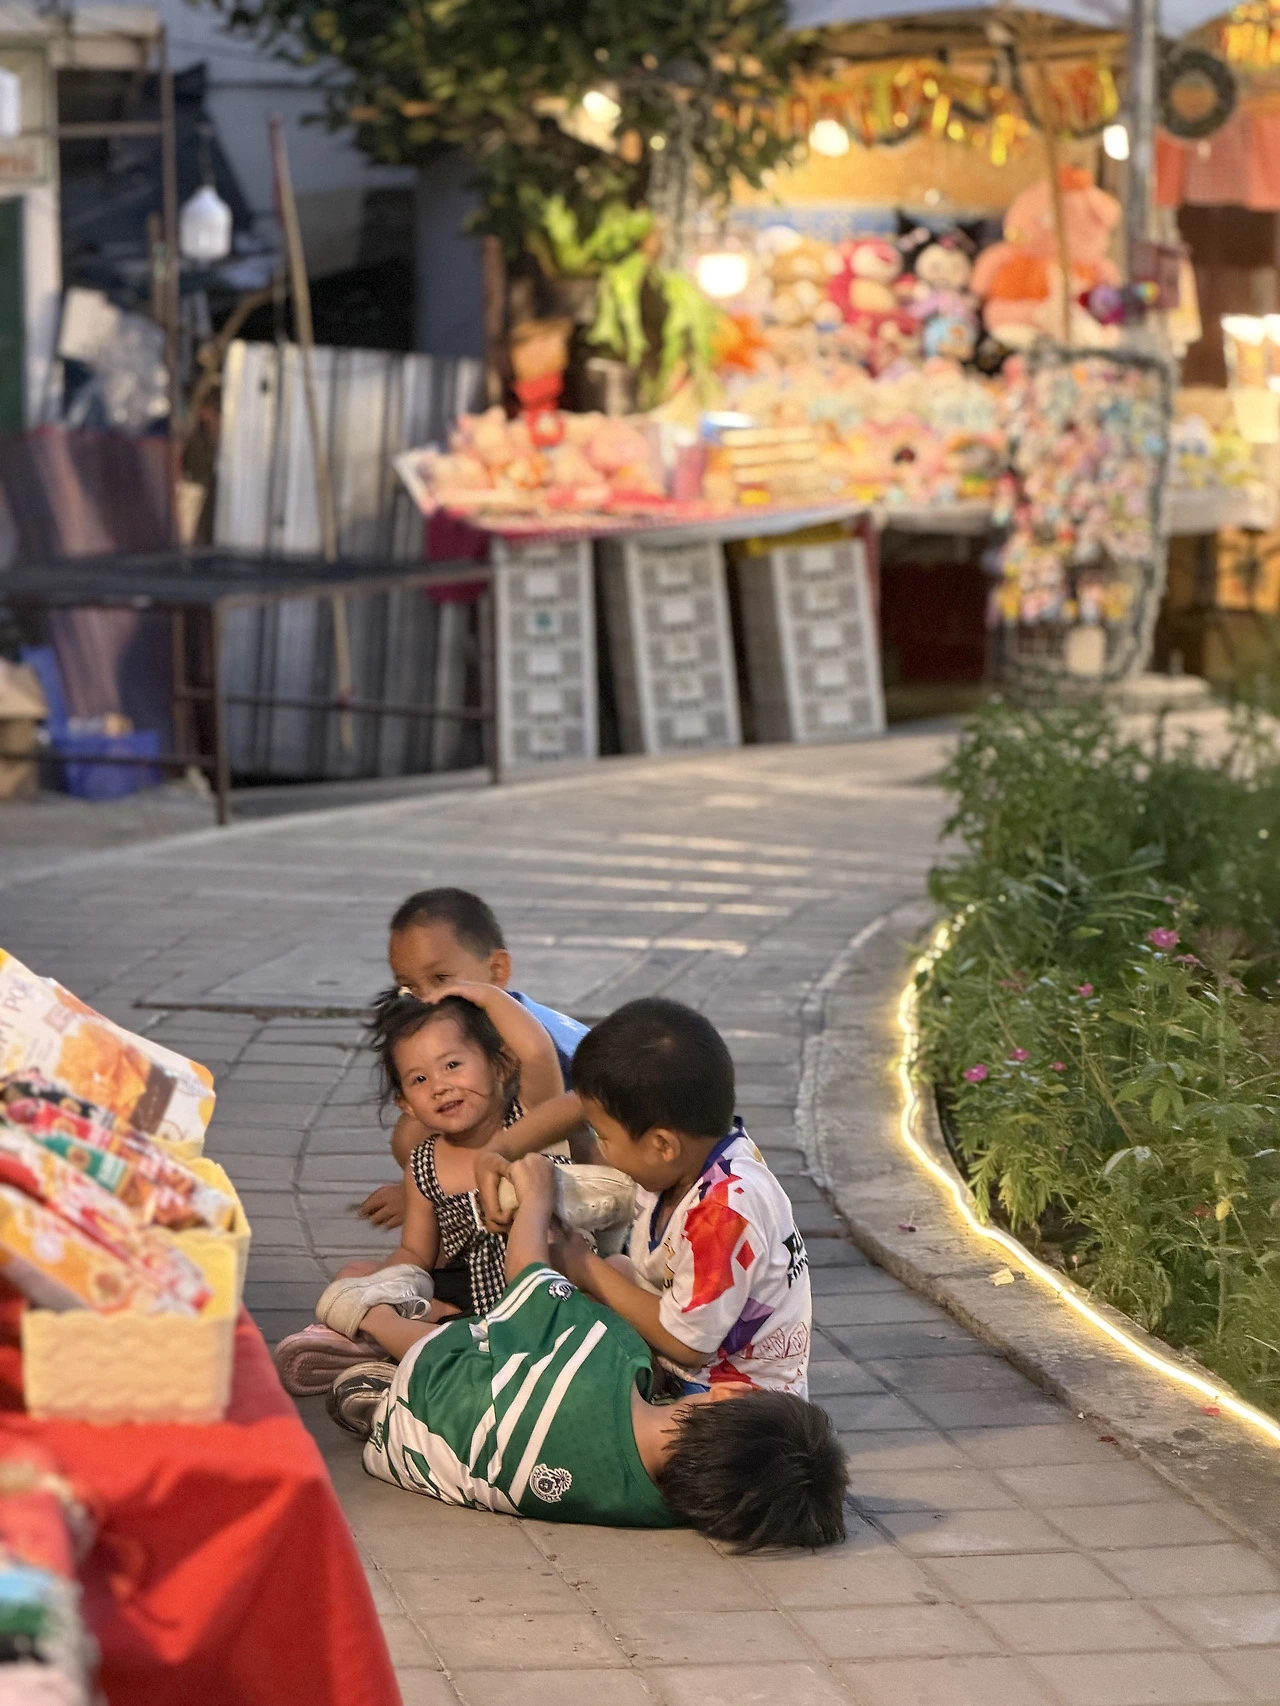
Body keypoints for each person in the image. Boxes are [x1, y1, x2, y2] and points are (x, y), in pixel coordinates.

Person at [322, 1153, 847, 1549]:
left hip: (439, 1379)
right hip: (408, 1457)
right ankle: (379, 1397)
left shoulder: (602, 1356)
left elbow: (526, 1275)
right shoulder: (665, 1509)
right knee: (502, 1403)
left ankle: (369, 1316)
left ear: (728, 1394)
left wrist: (537, 1198)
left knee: (486, 1336)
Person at [478, 998, 813, 1397]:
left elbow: (687, 1345)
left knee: (573, 1369)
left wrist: (584, 1265)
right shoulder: (695, 1150)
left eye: (604, 1137)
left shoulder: (722, 1210)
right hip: (692, 1356)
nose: (600, 1146)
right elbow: (579, 1105)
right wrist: (498, 1151)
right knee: (614, 1272)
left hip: (728, 1400)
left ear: (662, 1145)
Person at [274, 983, 565, 1394]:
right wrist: (380, 1287)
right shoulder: (424, 1163)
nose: (439, 1086)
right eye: (420, 1079)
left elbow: (536, 1052)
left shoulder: (532, 1122)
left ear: (500, 1065)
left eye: (453, 1065)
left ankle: (381, 1342)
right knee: (354, 1274)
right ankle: (397, 1345)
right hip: (464, 1307)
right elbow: (415, 1253)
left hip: (547, 1290)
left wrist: (486, 995)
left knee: (377, 1308)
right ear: (407, 1105)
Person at [360, 888, 590, 1231]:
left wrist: (422, 1197)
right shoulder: (476, 1024)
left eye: (441, 980)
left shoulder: (526, 1038)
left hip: (603, 1170)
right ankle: (452, 1198)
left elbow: (555, 1114)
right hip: (524, 1151)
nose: (427, 999)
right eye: (409, 988)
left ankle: (458, 1201)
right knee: (412, 1132)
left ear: (496, 970)